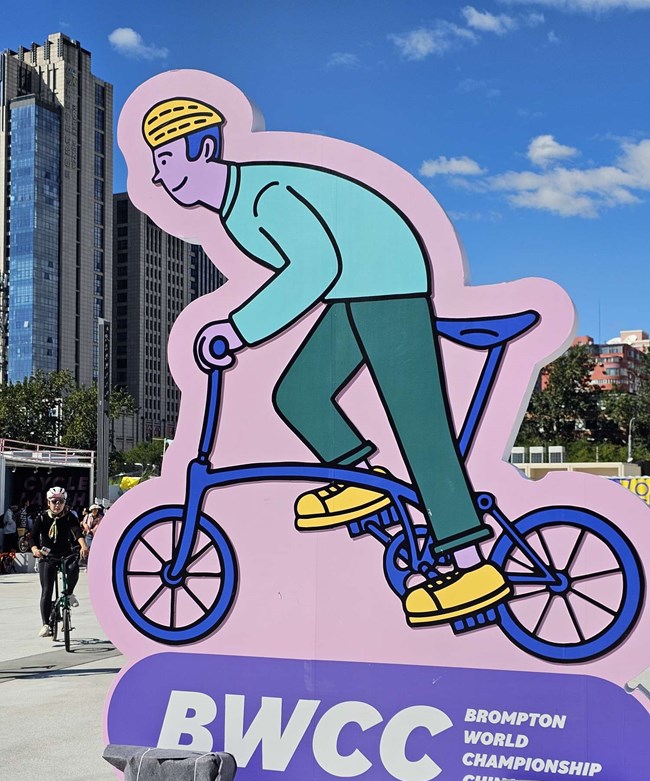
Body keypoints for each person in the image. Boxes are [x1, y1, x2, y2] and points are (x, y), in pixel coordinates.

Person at [141, 97, 511, 627]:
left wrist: (238, 329)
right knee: (299, 394)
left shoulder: (263, 195)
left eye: (165, 159)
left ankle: (473, 566)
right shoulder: (233, 211)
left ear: (203, 148)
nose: (158, 176)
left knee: (419, 428)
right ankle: (360, 480)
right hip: (354, 285)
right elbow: (320, 268)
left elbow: (314, 266)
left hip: (388, 280)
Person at [31, 486, 89, 638]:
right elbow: (33, 537)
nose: (57, 504)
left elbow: (77, 532)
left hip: (65, 554)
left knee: (74, 568)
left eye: (61, 501)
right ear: (48, 502)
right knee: (47, 590)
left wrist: (83, 545)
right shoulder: (42, 517)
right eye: (54, 501)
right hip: (47, 556)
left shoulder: (69, 517)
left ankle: (69, 594)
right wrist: (35, 549)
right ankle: (46, 624)